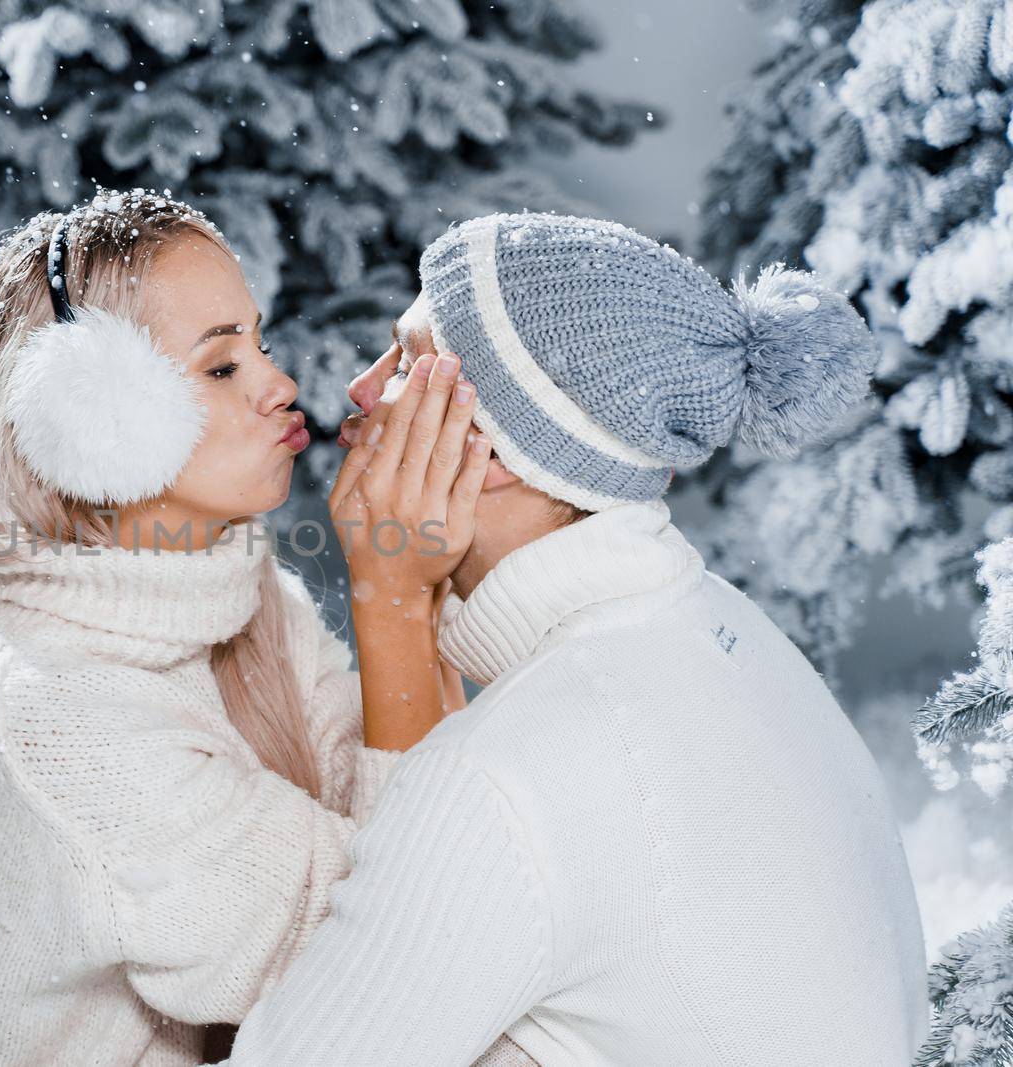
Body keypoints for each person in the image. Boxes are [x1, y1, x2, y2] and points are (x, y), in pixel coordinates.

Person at [217, 212, 930, 1066]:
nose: (362, 389)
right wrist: (403, 596)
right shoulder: (718, 627)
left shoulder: (516, 772)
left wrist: (390, 593)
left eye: (407, 361)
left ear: (492, 452)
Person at [0, 188, 499, 1066]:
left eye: (259, 343)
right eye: (221, 366)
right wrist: (394, 599)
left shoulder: (242, 598)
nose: (280, 385)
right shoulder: (62, 714)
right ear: (95, 417)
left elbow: (417, 837)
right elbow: (394, 964)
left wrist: (426, 594)